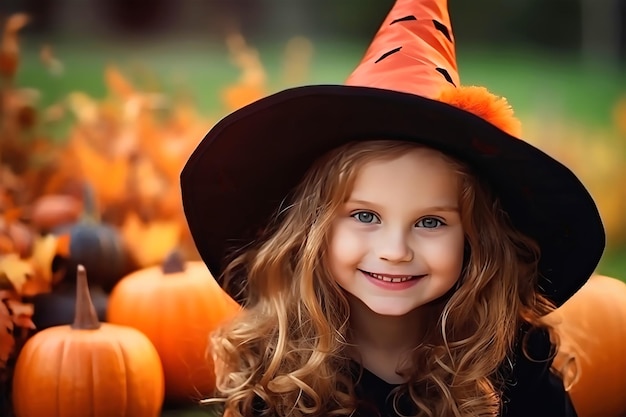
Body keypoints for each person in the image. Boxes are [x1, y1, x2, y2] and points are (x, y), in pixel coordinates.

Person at [180, 0, 605, 416]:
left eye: (431, 221)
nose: (395, 250)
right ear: (313, 227)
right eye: (365, 216)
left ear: (476, 237)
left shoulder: (510, 361)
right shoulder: (279, 368)